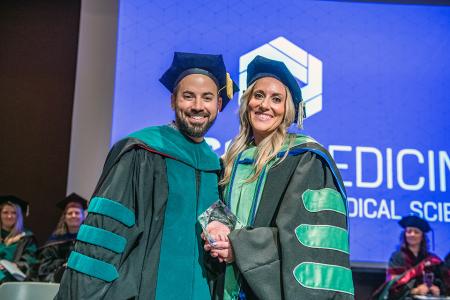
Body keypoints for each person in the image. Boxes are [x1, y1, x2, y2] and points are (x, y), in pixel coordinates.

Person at [56, 52, 238, 299]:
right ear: (173, 101)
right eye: (188, 96)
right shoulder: (141, 153)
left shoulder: (215, 168)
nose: (197, 106)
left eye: (207, 98)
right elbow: (105, 233)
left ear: (218, 104)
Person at [203, 55, 354, 299]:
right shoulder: (230, 160)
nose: (265, 105)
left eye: (276, 99)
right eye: (258, 95)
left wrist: (240, 247)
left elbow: (304, 239)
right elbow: (216, 207)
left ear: (287, 110)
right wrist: (215, 226)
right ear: (248, 102)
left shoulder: (304, 160)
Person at [378, 215, 447, 299]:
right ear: (404, 235)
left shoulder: (432, 259)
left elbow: (442, 282)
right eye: (409, 231)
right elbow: (393, 285)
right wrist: (415, 290)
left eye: (416, 232)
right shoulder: (398, 256)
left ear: (422, 236)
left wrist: (435, 288)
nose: (412, 235)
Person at [37, 193, 87, 282]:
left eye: (77, 213)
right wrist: (62, 265)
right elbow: (43, 269)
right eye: (70, 213)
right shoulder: (55, 241)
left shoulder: (88, 240)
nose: (73, 216)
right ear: (64, 217)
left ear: (83, 216)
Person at [0, 195, 38, 283]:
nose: (9, 216)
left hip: (13, 276)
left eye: (14, 213)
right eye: (5, 212)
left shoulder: (27, 237)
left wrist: (15, 265)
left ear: (19, 216)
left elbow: (30, 260)